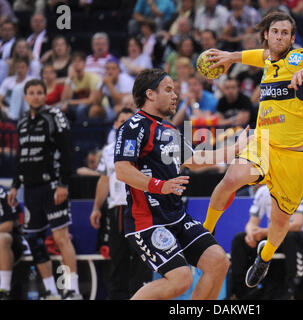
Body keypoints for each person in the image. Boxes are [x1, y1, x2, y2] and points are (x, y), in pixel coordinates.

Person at [202, 11, 303, 288]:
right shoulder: (267, 58)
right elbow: (255, 56)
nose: (280, 37)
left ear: (292, 38)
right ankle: (204, 233)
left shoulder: (298, 58)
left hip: (295, 156)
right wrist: (229, 56)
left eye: (285, 33)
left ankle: (265, 256)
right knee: (231, 179)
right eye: (275, 32)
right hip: (263, 143)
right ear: (267, 35)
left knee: (280, 220)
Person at [113, 68, 251, 300]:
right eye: (168, 89)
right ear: (150, 94)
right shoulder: (134, 126)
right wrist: (159, 186)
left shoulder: (168, 128)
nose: (175, 95)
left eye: (175, 90)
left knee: (218, 262)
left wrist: (234, 149)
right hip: (148, 222)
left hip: (176, 216)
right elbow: (122, 170)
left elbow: (195, 159)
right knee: (181, 279)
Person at [7, 79, 82, 300]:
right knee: (35, 240)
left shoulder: (54, 116)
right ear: (26, 96)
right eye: (32, 93)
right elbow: (21, 158)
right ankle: (50, 290)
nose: (36, 96)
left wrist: (63, 184)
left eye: (40, 92)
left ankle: (71, 289)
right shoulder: (21, 123)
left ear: (45, 95)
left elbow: (67, 151)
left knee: (61, 239)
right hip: (30, 190)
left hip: (52, 187)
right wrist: (15, 185)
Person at [90, 108, 153, 300]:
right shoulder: (109, 151)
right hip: (117, 209)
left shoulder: (145, 148)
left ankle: (141, 296)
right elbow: (103, 180)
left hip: (141, 207)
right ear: (116, 124)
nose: (125, 124)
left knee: (142, 258)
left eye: (129, 120)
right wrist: (96, 207)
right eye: (121, 120)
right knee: (118, 259)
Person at [230, 186, 303, 300]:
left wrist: (264, 232)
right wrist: (251, 234)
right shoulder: (263, 191)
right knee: (240, 239)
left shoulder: (299, 188)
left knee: (289, 238)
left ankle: (291, 290)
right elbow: (252, 222)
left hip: (301, 237)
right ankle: (240, 292)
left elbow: (297, 225)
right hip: (275, 237)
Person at [0, 185, 25, 300]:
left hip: (13, 243)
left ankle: (4, 291)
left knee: (2, 238)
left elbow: (8, 226)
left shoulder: (4, 194)